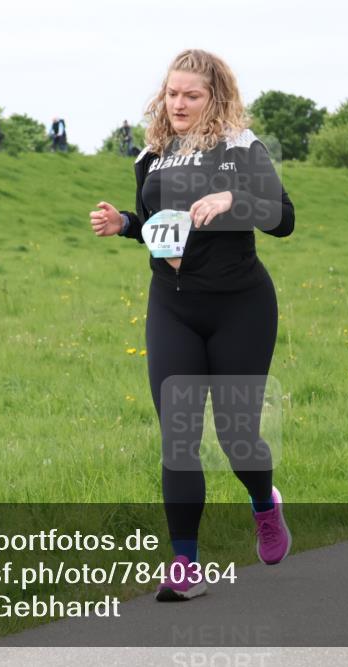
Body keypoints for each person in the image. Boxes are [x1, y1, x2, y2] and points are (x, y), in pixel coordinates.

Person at [88, 49, 295, 602]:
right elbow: (158, 226)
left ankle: (263, 506)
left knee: (235, 437)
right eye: (172, 93)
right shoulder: (151, 155)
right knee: (178, 439)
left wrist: (234, 198)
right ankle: (185, 565)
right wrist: (124, 224)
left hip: (240, 307)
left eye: (191, 95)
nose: (178, 104)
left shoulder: (241, 148)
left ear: (215, 98)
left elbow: (285, 217)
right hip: (172, 307)